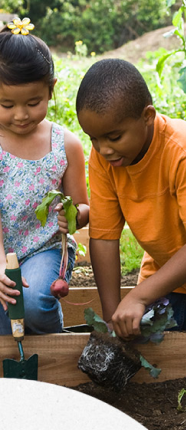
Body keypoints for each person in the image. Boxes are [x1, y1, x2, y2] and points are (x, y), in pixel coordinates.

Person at [0, 17, 89, 335]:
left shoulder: (66, 144)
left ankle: (55, 362)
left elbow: (83, 207)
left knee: (33, 303)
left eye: (33, 102)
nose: (21, 114)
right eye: (7, 104)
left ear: (51, 90)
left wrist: (72, 217)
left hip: (43, 248)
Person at [76, 57, 186, 339]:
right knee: (144, 337)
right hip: (169, 280)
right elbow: (103, 237)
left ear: (147, 116)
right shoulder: (105, 159)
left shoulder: (179, 152)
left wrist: (137, 297)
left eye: (114, 137)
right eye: (93, 139)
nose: (103, 149)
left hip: (169, 278)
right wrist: (115, 319)